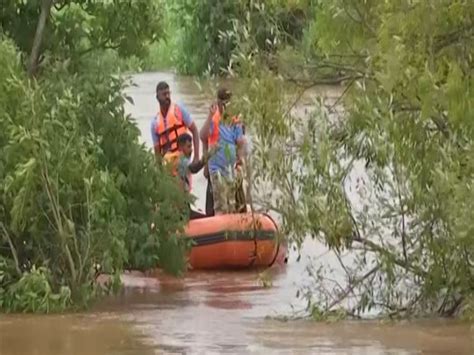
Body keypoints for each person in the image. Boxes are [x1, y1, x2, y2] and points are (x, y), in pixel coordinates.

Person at [200, 87, 246, 215]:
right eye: (224, 102)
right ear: (219, 102)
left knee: (232, 204)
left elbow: (240, 142)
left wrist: (239, 161)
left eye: (229, 102)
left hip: (230, 168)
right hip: (216, 168)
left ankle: (231, 229)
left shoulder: (234, 120)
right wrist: (210, 115)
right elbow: (203, 136)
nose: (227, 105)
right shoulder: (214, 119)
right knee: (221, 205)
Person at [164, 133, 217, 219]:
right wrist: (209, 154)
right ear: (181, 147)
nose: (191, 149)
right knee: (206, 218)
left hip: (178, 203)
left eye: (191, 146)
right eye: (188, 146)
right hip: (179, 206)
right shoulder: (180, 160)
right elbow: (194, 169)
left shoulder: (173, 159)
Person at [151, 81, 200, 164]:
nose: (167, 96)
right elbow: (157, 151)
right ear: (157, 97)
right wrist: (159, 172)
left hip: (183, 161)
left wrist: (196, 157)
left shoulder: (179, 110)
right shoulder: (155, 123)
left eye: (168, 93)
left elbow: (194, 130)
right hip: (167, 164)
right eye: (164, 94)